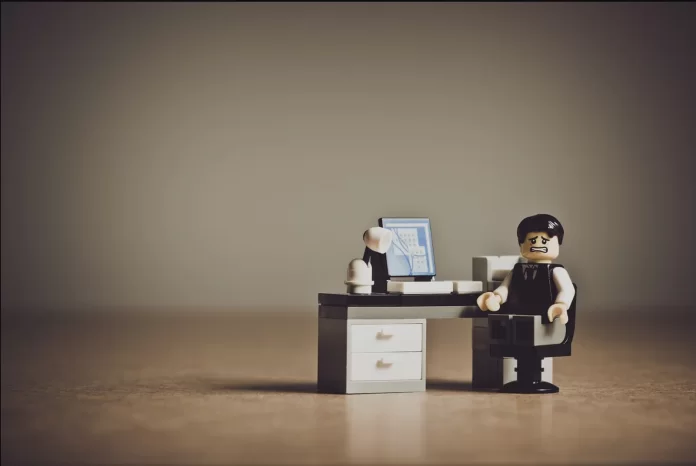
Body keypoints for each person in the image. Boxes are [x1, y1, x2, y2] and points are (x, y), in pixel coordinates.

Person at [477, 214, 575, 324]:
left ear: (558, 244)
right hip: (517, 315)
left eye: (544, 241)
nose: (538, 245)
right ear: (521, 245)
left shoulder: (557, 271)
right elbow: (505, 288)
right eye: (532, 241)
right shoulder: (517, 270)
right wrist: (497, 297)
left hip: (546, 318)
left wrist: (561, 304)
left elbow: (567, 290)